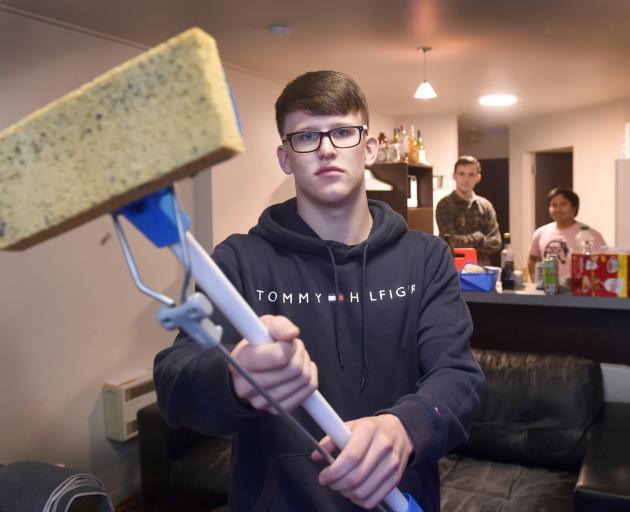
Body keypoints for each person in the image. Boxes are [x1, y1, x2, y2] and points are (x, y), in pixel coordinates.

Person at [153, 70, 484, 512]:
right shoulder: (239, 260)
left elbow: (459, 378)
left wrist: (404, 428)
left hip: (396, 499)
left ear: (369, 149)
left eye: (343, 132)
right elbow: (175, 382)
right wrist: (233, 375)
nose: (327, 149)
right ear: (285, 157)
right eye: (306, 136)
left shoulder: (425, 258)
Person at [528, 187, 606, 282]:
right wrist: (535, 282)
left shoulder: (591, 234)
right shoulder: (540, 232)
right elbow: (532, 260)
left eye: (563, 204)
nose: (558, 209)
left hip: (579, 292)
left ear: (574, 207)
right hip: (549, 290)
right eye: (553, 205)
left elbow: (603, 264)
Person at [435, 156, 502, 265]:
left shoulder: (486, 206)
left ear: (478, 177)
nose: (466, 179)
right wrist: (478, 237)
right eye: (462, 174)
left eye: (471, 175)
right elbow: (450, 242)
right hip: (453, 268)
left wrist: (464, 242)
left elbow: (496, 242)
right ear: (454, 176)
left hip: (481, 268)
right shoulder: (444, 205)